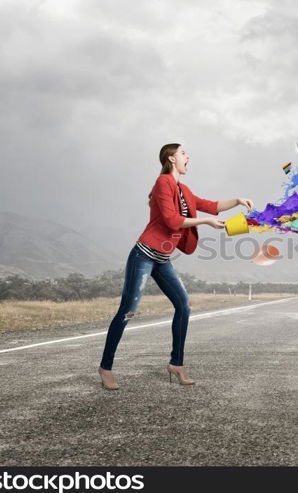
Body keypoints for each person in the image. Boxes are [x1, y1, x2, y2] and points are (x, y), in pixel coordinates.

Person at [98, 143, 253, 389]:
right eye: (183, 153)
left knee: (184, 306)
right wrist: (206, 222)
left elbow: (212, 205)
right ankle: (106, 368)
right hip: (144, 255)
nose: (187, 156)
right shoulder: (163, 183)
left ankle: (176, 364)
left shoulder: (184, 190)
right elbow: (172, 220)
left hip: (162, 259)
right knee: (127, 311)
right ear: (171, 158)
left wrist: (237, 200)